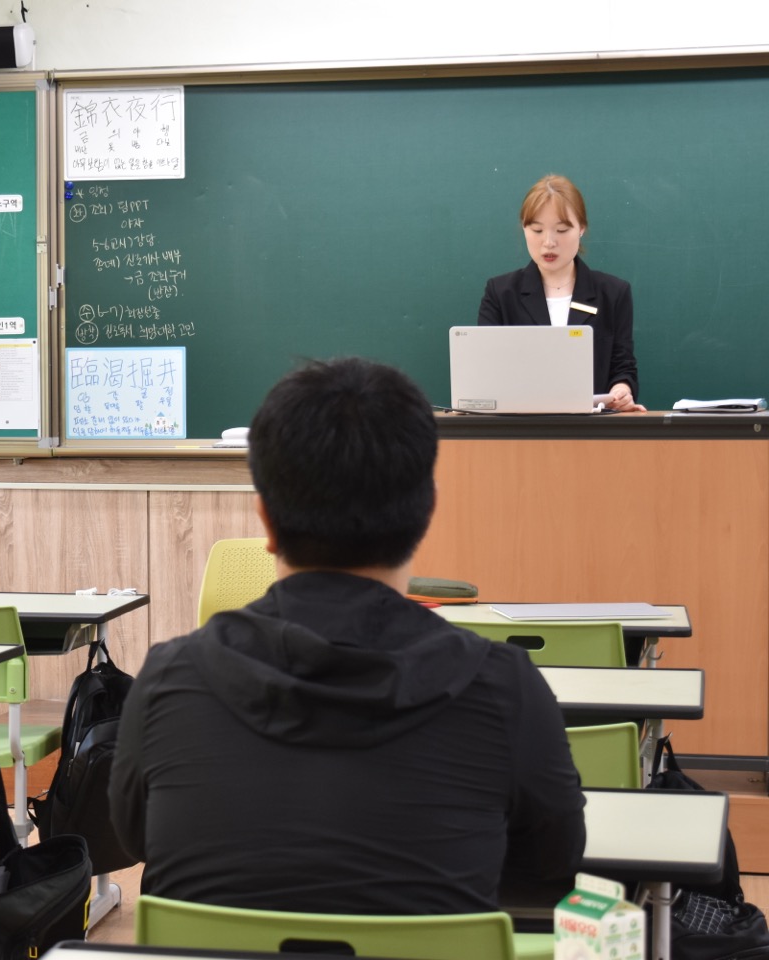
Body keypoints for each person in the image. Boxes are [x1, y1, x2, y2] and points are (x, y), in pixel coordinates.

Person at [108, 357, 585, 915]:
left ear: (264, 517)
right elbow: (551, 865)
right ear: (426, 510)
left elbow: (139, 839)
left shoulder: (170, 680)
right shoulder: (505, 689)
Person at [477, 173, 645, 411]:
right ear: (524, 229)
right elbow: (486, 370)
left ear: (581, 228)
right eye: (536, 230)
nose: (548, 242)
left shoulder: (613, 293)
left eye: (562, 230)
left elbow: (623, 366)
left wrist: (621, 390)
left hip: (593, 431)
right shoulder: (501, 292)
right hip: (519, 432)